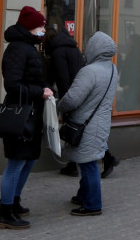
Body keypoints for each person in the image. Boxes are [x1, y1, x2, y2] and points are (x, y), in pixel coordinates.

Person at [0, 6, 54, 229]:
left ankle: (15, 202)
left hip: (31, 113)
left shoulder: (29, 47)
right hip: (20, 113)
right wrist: (39, 92)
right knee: (16, 162)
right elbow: (12, 85)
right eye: (40, 26)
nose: (43, 30)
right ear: (30, 27)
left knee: (28, 160)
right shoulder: (18, 49)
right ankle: (5, 212)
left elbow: (34, 78)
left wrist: (45, 88)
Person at [47, 28, 121, 179]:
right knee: (88, 142)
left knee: (83, 148)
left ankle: (91, 199)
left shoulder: (61, 54)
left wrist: (61, 104)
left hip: (78, 101)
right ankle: (104, 161)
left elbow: (64, 81)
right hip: (93, 105)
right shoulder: (110, 68)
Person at [58, 32, 118, 216]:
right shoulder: (112, 69)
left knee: (88, 164)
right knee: (86, 161)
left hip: (86, 125)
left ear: (94, 49)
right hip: (100, 123)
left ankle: (93, 204)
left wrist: (58, 106)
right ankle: (83, 195)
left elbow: (72, 99)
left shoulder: (89, 71)